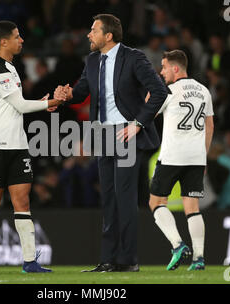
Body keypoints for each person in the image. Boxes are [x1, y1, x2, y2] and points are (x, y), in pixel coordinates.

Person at [54, 14, 168, 272]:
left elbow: (160, 91)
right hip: (103, 135)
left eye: (93, 30)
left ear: (108, 36)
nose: (88, 35)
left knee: (124, 198)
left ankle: (127, 261)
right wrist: (65, 95)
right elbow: (81, 91)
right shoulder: (92, 60)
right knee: (108, 198)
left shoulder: (134, 57)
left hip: (127, 134)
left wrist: (137, 124)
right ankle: (107, 260)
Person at [0, 20, 66, 273]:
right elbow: (20, 106)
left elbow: (15, 105)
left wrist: (43, 102)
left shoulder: (6, 66)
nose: (22, 40)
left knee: (22, 201)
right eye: (17, 36)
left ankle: (30, 261)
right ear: (3, 42)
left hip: (17, 144)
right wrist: (51, 101)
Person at [148, 50, 214, 271]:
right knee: (192, 208)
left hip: (172, 155)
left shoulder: (167, 91)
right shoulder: (204, 90)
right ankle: (199, 258)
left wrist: (151, 91)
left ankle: (177, 245)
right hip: (196, 157)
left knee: (156, 202)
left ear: (176, 68)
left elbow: (148, 111)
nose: (161, 71)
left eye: (164, 67)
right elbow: (209, 126)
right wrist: (203, 156)